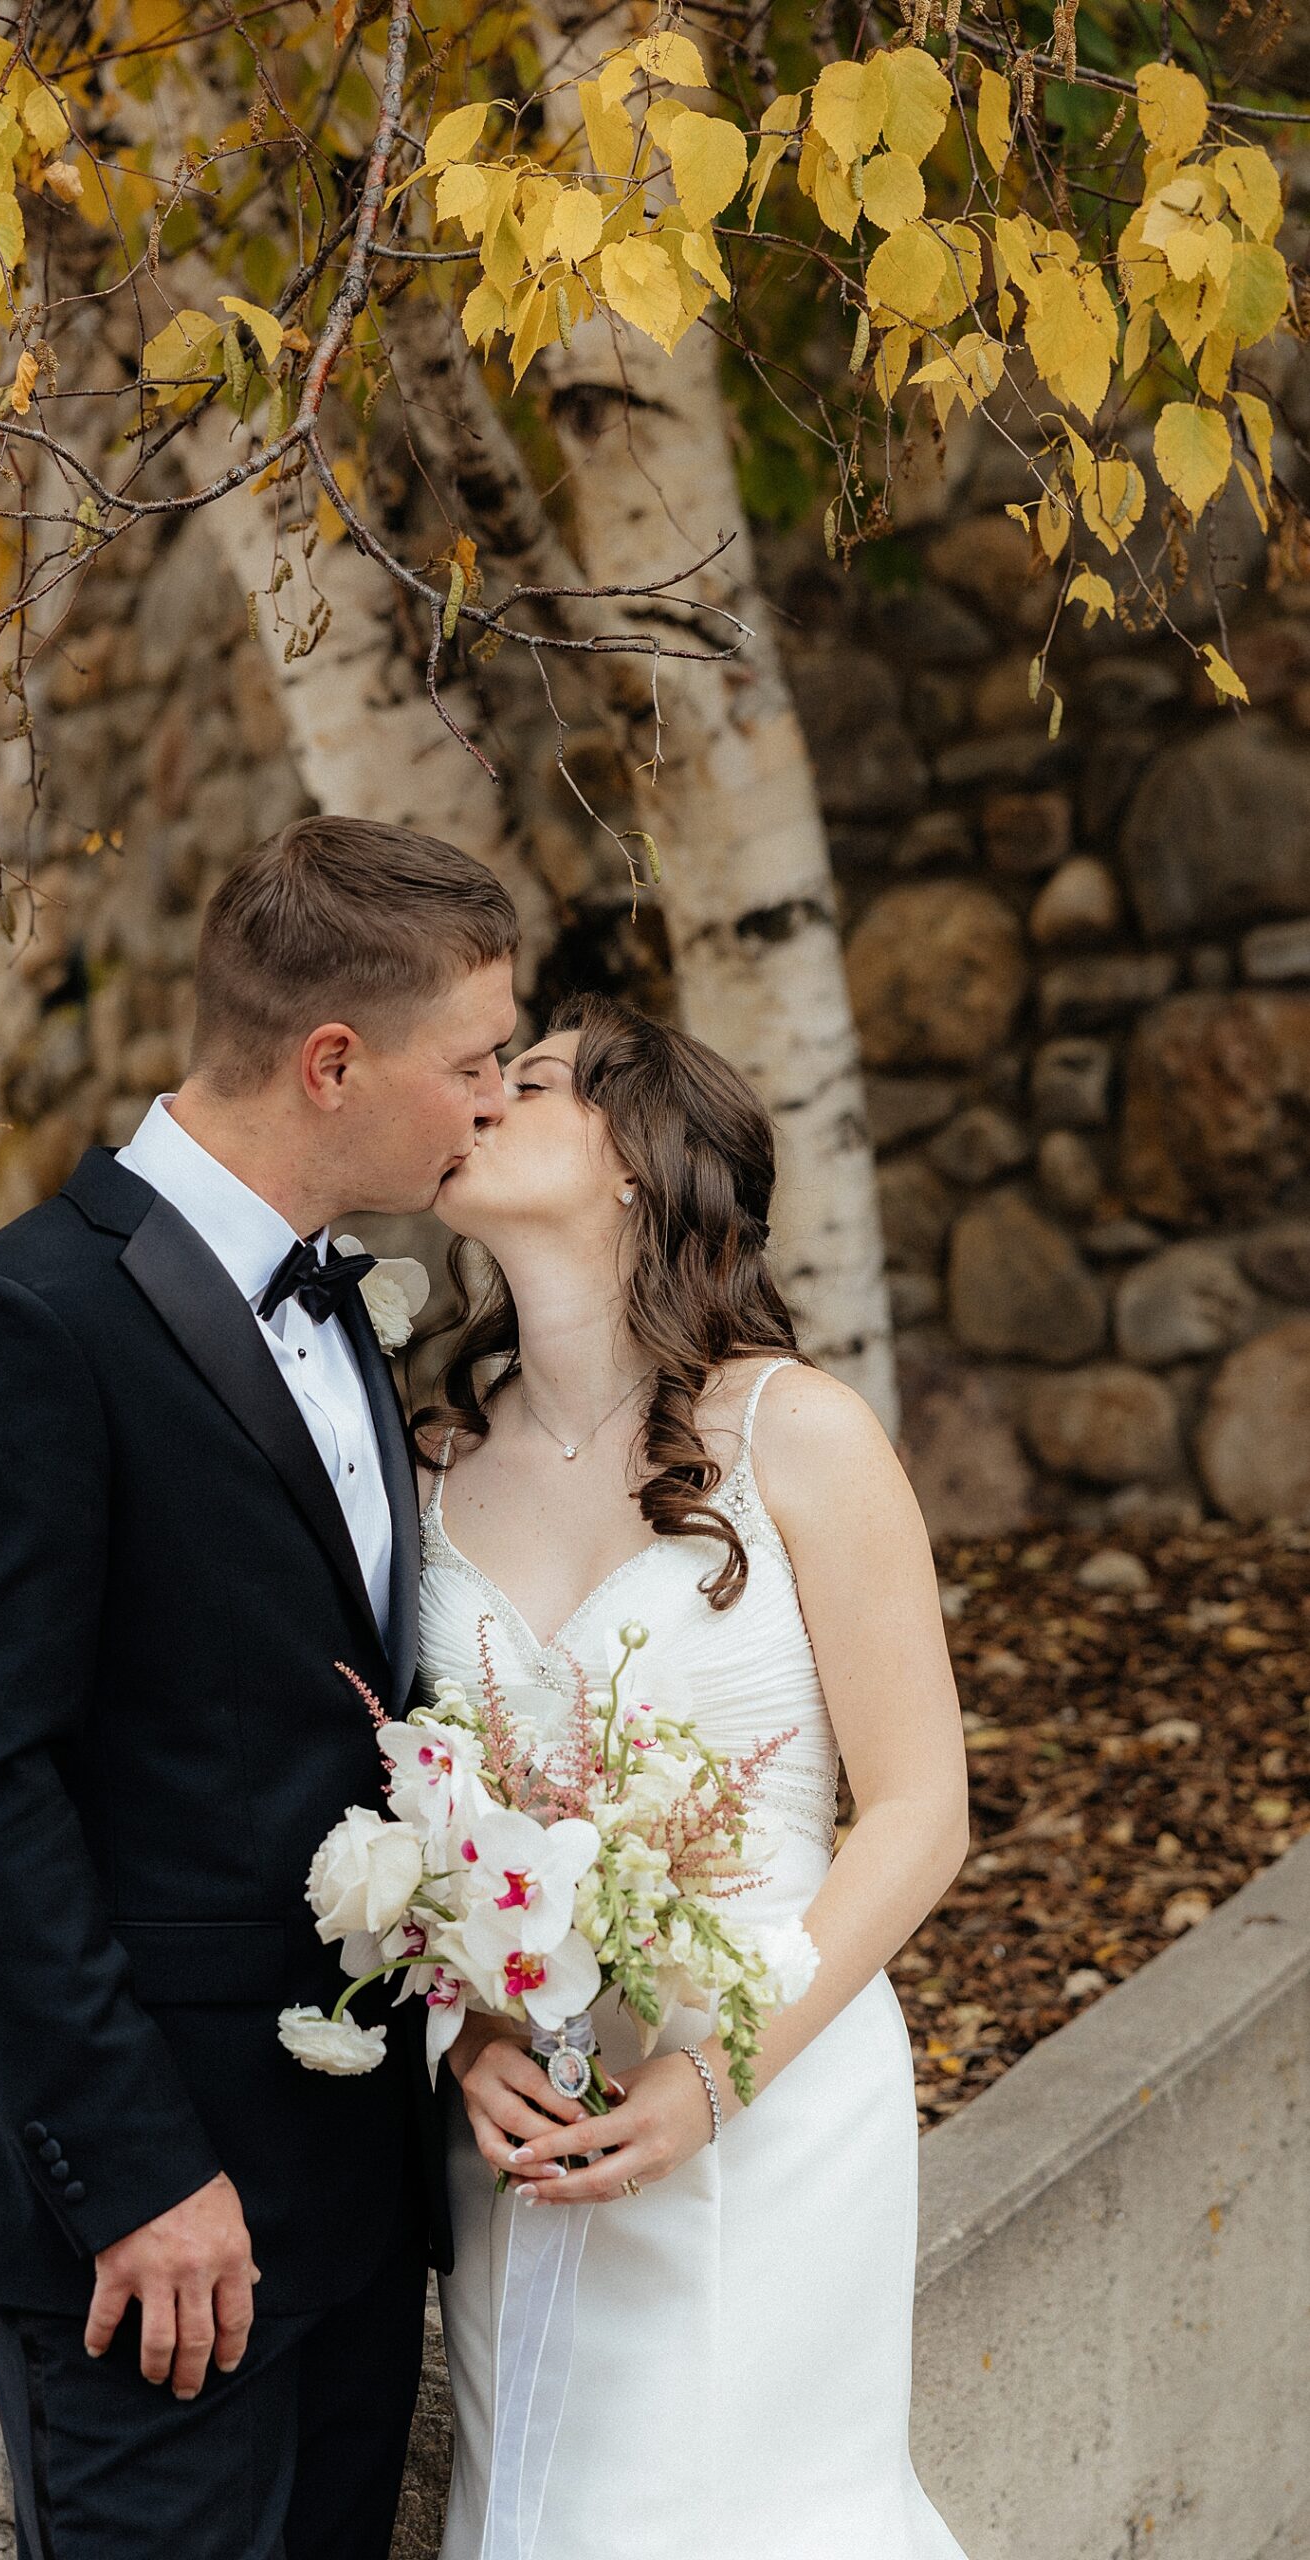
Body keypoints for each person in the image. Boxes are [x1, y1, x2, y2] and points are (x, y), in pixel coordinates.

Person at [0, 816, 519, 2560]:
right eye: (471, 1064)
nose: (492, 1105)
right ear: (332, 1061)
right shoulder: (22, 1324)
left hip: (354, 2216)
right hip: (157, 2244)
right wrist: (141, 2179)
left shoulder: (350, 1310)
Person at [417, 992, 972, 2558]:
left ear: (638, 1163)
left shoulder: (800, 1434)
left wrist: (717, 2075)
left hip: (773, 2110)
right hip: (529, 2131)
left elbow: (923, 1811)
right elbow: (412, 1818)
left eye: (525, 1082)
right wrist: (468, 2043)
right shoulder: (427, 1465)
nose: (476, 1102)